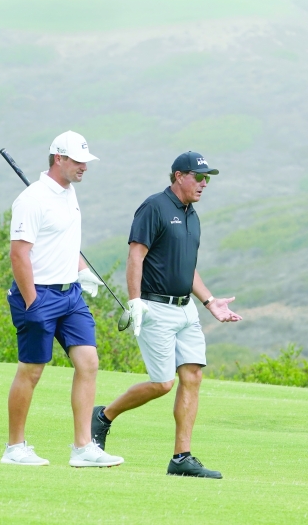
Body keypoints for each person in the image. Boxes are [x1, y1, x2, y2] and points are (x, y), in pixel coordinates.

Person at [92, 151, 243, 479]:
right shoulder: (154, 207)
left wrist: (210, 301)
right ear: (178, 176)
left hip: (186, 309)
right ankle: (103, 416)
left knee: (193, 376)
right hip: (154, 307)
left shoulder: (192, 215)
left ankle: (181, 458)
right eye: (198, 177)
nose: (204, 184)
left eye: (208, 178)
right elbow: (136, 256)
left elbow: (185, 268)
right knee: (162, 383)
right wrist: (134, 302)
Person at [0, 131, 124, 468]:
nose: (84, 166)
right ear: (59, 159)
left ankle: (83, 447)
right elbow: (18, 255)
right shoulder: (32, 199)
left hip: (71, 295)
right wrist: (32, 302)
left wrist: (83, 270)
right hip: (38, 293)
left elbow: (66, 242)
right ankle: (15, 447)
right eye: (78, 161)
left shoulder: (68, 194)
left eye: (86, 161)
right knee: (32, 371)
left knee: (89, 363)